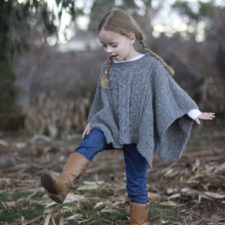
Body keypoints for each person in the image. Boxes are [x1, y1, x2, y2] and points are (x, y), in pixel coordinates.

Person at [41, 8, 215, 225]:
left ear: (131, 37)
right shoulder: (108, 67)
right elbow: (99, 98)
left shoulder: (149, 65)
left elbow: (170, 89)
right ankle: (63, 184)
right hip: (110, 125)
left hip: (139, 132)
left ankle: (138, 222)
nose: (108, 50)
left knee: (136, 182)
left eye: (113, 45)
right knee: (89, 142)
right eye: (104, 45)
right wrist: (92, 120)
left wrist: (193, 111)